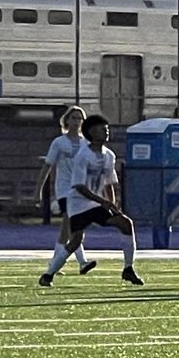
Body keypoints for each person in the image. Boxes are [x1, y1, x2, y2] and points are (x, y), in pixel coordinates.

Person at [38, 113, 144, 287]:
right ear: (91, 132)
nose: (106, 131)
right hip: (78, 203)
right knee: (75, 241)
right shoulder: (83, 155)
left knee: (125, 223)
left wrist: (112, 204)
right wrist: (103, 202)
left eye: (107, 128)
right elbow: (79, 186)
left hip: (95, 202)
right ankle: (48, 275)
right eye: (102, 129)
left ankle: (128, 269)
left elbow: (109, 183)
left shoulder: (109, 155)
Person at [36, 105, 97, 277]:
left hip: (81, 190)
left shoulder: (87, 144)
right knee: (70, 223)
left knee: (71, 227)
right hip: (64, 189)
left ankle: (57, 263)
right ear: (67, 120)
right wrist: (38, 190)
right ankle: (80, 262)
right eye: (74, 118)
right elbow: (48, 166)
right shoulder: (59, 143)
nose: (77, 122)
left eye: (80, 119)